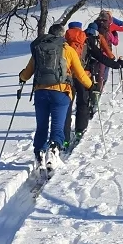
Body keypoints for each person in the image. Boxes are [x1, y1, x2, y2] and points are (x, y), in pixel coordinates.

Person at [18, 23, 94, 166]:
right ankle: (53, 151)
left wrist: (21, 77)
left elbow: (27, 73)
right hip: (61, 92)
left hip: (40, 92)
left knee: (41, 126)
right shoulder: (68, 50)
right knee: (57, 126)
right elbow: (80, 74)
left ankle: (39, 153)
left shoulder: (39, 48)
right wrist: (91, 86)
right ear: (62, 35)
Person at [84, 21, 123, 111]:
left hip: (80, 69)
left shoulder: (82, 38)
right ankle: (94, 103)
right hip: (97, 62)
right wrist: (114, 60)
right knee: (99, 79)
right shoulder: (100, 36)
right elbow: (108, 47)